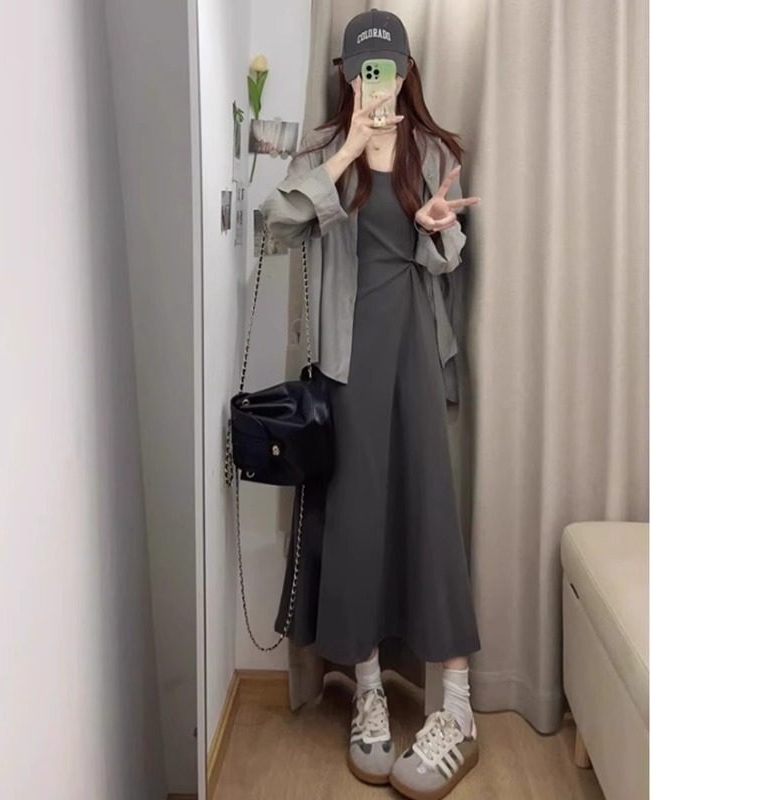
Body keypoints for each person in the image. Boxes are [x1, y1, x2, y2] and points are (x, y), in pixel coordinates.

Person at [259, 9, 482, 799]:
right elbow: (276, 224)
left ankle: (457, 705)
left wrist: (435, 229)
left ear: (407, 71)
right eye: (363, 69)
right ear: (347, 75)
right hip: (349, 363)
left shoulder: (434, 151)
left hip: (414, 351)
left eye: (387, 68)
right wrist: (349, 150)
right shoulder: (327, 151)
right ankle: (368, 691)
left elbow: (448, 256)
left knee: (429, 512)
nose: (375, 81)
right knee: (354, 519)